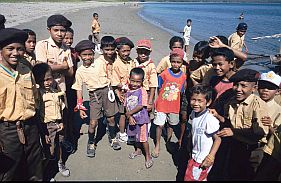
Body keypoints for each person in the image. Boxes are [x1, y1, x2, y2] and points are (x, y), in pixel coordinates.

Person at [0, 28, 43, 181]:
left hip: (30, 126)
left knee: (35, 167)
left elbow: (35, 100)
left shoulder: (26, 71)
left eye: (19, 49)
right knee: (10, 172)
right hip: (7, 131)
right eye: (10, 49)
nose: (15, 53)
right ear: (1, 50)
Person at [211, 69, 269, 180]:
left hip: (250, 150)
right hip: (234, 146)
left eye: (243, 86)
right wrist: (218, 116)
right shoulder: (232, 102)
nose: (238, 89)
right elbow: (229, 122)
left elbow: (259, 133)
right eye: (235, 85)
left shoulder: (258, 105)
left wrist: (234, 132)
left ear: (254, 88)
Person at [72, 40, 120, 158]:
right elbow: (78, 89)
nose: (88, 57)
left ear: (94, 53)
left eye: (90, 54)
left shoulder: (101, 61)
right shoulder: (80, 71)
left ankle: (113, 137)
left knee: (111, 118)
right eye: (84, 55)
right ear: (79, 56)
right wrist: (80, 106)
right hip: (94, 95)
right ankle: (91, 142)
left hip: (107, 91)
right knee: (93, 122)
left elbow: (111, 51)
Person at [32, 63, 70, 178]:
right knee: (49, 150)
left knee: (59, 145)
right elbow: (38, 115)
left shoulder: (55, 92)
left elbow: (60, 108)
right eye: (42, 80)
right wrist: (44, 133)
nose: (47, 82)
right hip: (47, 127)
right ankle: (47, 172)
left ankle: (60, 164)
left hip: (58, 124)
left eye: (49, 79)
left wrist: (61, 122)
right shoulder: (38, 95)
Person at [151, 48, 186, 158]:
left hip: (174, 106)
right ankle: (157, 144)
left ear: (182, 63)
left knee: (171, 125)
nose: (176, 64)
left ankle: (169, 141)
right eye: (174, 61)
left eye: (178, 62)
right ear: (170, 61)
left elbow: (181, 91)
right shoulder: (163, 74)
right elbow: (159, 88)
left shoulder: (183, 76)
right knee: (160, 125)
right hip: (162, 105)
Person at [184, 85, 221, 181]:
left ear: (208, 102)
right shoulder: (193, 114)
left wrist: (210, 157)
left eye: (200, 101)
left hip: (202, 159)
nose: (195, 103)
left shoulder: (209, 119)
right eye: (193, 99)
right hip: (195, 155)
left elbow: (217, 139)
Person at [125, 68, 154, 169]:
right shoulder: (128, 89)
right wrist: (129, 117)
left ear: (142, 81)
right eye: (132, 81)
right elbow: (127, 104)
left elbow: (141, 105)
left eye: (138, 82)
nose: (134, 84)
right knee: (135, 136)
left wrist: (129, 114)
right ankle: (138, 150)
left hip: (141, 119)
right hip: (132, 118)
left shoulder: (142, 91)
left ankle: (148, 156)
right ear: (129, 79)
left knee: (143, 139)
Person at [255, 71, 281, 180]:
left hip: (262, 147)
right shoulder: (252, 102)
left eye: (270, 88)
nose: (265, 90)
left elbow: (275, 138)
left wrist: (270, 126)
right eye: (263, 86)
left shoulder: (278, 110)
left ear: (277, 91)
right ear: (257, 87)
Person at [111, 37, 136, 143]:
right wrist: (119, 93)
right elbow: (115, 82)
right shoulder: (116, 64)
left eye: (128, 50)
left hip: (131, 91)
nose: (126, 53)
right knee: (122, 113)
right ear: (118, 51)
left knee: (129, 111)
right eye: (124, 51)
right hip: (121, 92)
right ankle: (121, 133)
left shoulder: (131, 61)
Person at [134, 39, 158, 134]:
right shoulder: (134, 62)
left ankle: (145, 132)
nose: (143, 55)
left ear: (149, 53)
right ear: (137, 52)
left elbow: (153, 85)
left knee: (146, 113)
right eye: (141, 52)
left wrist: (150, 101)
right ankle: (135, 131)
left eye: (145, 53)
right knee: (135, 111)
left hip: (146, 93)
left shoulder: (151, 66)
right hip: (135, 91)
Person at [63, 27, 80, 152]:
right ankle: (68, 136)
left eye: (71, 38)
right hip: (62, 87)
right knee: (65, 113)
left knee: (72, 112)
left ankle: (72, 130)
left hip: (72, 86)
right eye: (66, 38)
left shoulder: (74, 52)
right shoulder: (60, 52)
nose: (69, 41)